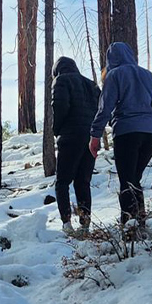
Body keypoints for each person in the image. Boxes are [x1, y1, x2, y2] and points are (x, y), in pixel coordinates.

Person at [89, 42, 152, 228]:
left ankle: (130, 228)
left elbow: (105, 109)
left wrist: (95, 135)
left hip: (126, 133)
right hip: (150, 135)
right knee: (134, 179)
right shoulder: (148, 76)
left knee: (127, 182)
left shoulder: (114, 75)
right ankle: (139, 223)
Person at [52, 56, 101, 234]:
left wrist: (56, 129)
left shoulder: (61, 80)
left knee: (62, 181)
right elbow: (100, 109)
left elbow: (60, 106)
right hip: (91, 138)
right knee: (83, 181)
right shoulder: (91, 84)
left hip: (70, 137)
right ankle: (85, 223)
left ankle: (66, 223)